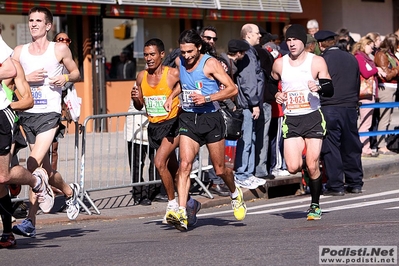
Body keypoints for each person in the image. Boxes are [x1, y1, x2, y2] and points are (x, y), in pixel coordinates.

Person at [165, 29, 247, 231]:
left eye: (190, 52)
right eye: (183, 52)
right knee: (185, 165)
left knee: (220, 170)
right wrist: (172, 97)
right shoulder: (179, 62)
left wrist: (207, 98)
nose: (186, 56)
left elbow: (232, 89)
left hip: (211, 118)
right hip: (189, 119)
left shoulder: (210, 63)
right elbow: (183, 85)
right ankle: (182, 211)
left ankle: (235, 193)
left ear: (199, 47)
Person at [11, 6, 81, 238]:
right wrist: (25, 79)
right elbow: (9, 78)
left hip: (49, 114)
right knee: (46, 171)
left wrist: (64, 77)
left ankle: (30, 220)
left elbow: (76, 73)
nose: (33, 24)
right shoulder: (20, 52)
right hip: (27, 114)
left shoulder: (58, 48)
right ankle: (70, 192)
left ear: (48, 26)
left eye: (38, 21)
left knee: (32, 164)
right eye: (31, 20)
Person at [269, 24, 333, 220]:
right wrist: (276, 94)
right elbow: (270, 83)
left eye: (295, 40)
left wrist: (319, 86)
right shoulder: (280, 64)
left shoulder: (316, 62)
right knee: (292, 166)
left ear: (303, 42)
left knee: (313, 163)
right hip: (292, 120)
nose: (291, 44)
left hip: (312, 117)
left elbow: (330, 89)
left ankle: (315, 205)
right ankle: (309, 171)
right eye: (288, 40)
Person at [0, 32, 54, 247]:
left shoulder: (12, 66)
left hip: (6, 118)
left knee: (3, 178)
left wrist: (9, 107)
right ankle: (7, 229)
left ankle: (36, 181)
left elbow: (27, 99)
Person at [132, 38, 188, 225]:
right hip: (154, 126)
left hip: (173, 124)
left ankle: (172, 204)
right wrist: (136, 99)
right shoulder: (141, 76)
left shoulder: (172, 74)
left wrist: (173, 96)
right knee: (173, 170)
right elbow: (139, 106)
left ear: (161, 55)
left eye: (152, 54)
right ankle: (187, 203)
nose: (148, 58)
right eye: (146, 54)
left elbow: (186, 84)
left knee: (159, 162)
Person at [314, 30, 364, 195]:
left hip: (330, 106)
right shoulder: (351, 58)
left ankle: (336, 185)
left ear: (321, 44)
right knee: (351, 145)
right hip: (349, 106)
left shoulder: (322, 60)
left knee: (331, 147)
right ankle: (355, 182)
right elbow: (357, 81)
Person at [234, 23, 267, 189]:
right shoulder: (247, 52)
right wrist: (254, 103)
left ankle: (248, 173)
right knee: (247, 139)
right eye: (257, 33)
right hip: (247, 104)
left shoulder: (249, 51)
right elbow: (249, 81)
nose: (260, 36)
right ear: (248, 35)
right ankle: (242, 174)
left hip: (249, 102)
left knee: (250, 138)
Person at [352, 36, 386, 157]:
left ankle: (365, 148)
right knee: (365, 123)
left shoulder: (365, 58)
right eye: (370, 47)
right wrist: (376, 69)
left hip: (369, 93)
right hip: (364, 93)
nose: (372, 49)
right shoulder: (359, 57)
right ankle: (364, 149)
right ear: (364, 45)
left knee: (367, 122)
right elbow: (366, 73)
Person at [374, 33, 399, 155]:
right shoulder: (382, 55)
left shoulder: (390, 55)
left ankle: (383, 143)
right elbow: (387, 75)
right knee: (384, 117)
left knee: (388, 117)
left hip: (393, 87)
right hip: (386, 88)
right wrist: (397, 69)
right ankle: (381, 144)